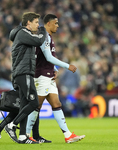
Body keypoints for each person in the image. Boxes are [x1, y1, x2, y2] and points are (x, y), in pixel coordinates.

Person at [26, 14, 85, 143]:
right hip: (42, 76)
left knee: (57, 104)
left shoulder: (48, 36)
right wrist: (67, 66)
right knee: (37, 105)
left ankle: (68, 135)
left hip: (48, 75)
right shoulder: (43, 36)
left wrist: (55, 69)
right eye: (55, 23)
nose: (57, 26)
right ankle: (24, 134)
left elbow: (47, 56)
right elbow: (48, 57)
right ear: (48, 23)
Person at [0, 12, 46, 144]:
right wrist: (44, 31)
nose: (38, 25)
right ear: (28, 23)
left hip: (22, 73)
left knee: (22, 106)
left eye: (39, 23)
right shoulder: (23, 33)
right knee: (33, 103)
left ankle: (18, 135)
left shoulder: (22, 35)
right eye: (36, 22)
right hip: (23, 73)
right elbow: (39, 40)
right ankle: (12, 126)